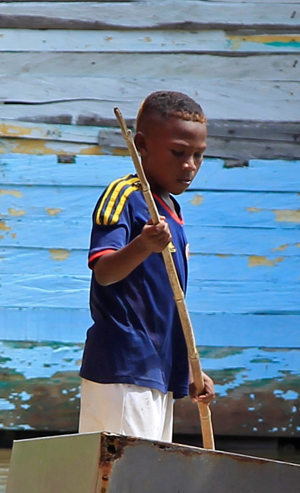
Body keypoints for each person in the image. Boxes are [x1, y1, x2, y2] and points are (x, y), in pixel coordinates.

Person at [77, 90, 217, 442]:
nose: (190, 165)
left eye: (198, 155)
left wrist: (189, 367)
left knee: (144, 472)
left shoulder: (172, 210)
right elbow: (105, 271)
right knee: (123, 472)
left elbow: (166, 304)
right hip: (124, 367)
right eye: (178, 153)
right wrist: (143, 245)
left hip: (158, 369)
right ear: (141, 145)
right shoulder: (126, 196)